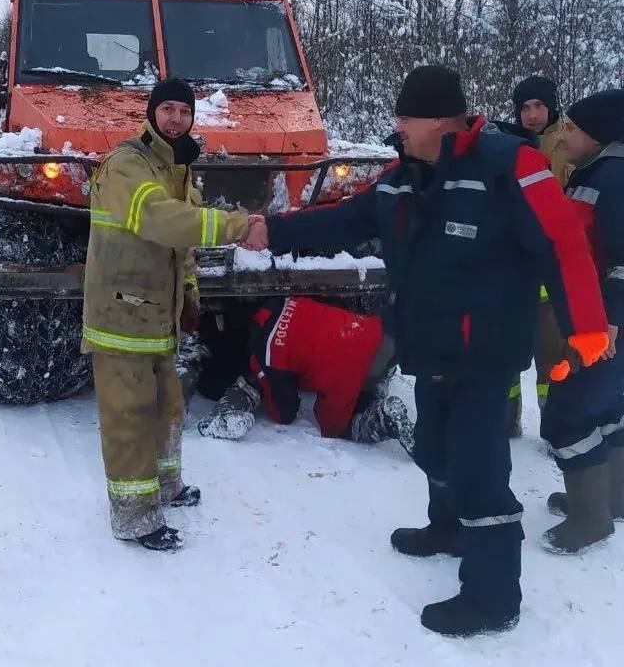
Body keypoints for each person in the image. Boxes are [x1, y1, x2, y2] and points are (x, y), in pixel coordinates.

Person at [242, 65, 608, 637]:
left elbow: (563, 245)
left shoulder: (510, 166)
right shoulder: (401, 179)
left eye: (405, 118)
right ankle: (449, 529)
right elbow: (344, 221)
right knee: (434, 449)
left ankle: (492, 598)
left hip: (484, 354)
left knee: (479, 472)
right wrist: (273, 229)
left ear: (438, 120)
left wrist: (586, 328)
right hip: (428, 348)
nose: (398, 128)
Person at [82, 77, 254, 552]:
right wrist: (237, 227)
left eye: (184, 111)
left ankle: (164, 488)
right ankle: (135, 517)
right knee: (129, 416)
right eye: (168, 109)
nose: (177, 119)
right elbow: (162, 220)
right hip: (120, 316)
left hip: (157, 315)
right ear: (151, 113)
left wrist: (191, 291)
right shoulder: (127, 164)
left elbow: (181, 248)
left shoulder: (177, 167)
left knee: (166, 406)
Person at [540, 90, 624, 554]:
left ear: (600, 134)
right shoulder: (595, 173)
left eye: (571, 128)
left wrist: (609, 321)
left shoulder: (613, 179)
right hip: (601, 317)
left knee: (568, 414)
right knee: (607, 408)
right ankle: (610, 499)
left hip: (604, 321)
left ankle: (590, 520)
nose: (562, 136)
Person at [196, 296, 414, 454]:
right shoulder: (348, 378)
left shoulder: (364, 323)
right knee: (265, 391)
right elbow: (326, 424)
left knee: (258, 371)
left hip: (278, 307)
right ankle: (382, 419)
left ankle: (232, 397)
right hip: (271, 348)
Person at [507, 75, 571, 436]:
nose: (531, 115)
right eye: (525, 108)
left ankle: (555, 427)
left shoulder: (568, 145)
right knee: (506, 354)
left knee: (553, 361)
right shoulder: (510, 145)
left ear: (552, 107)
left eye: (539, 106)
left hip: (552, 271)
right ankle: (505, 422)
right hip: (515, 271)